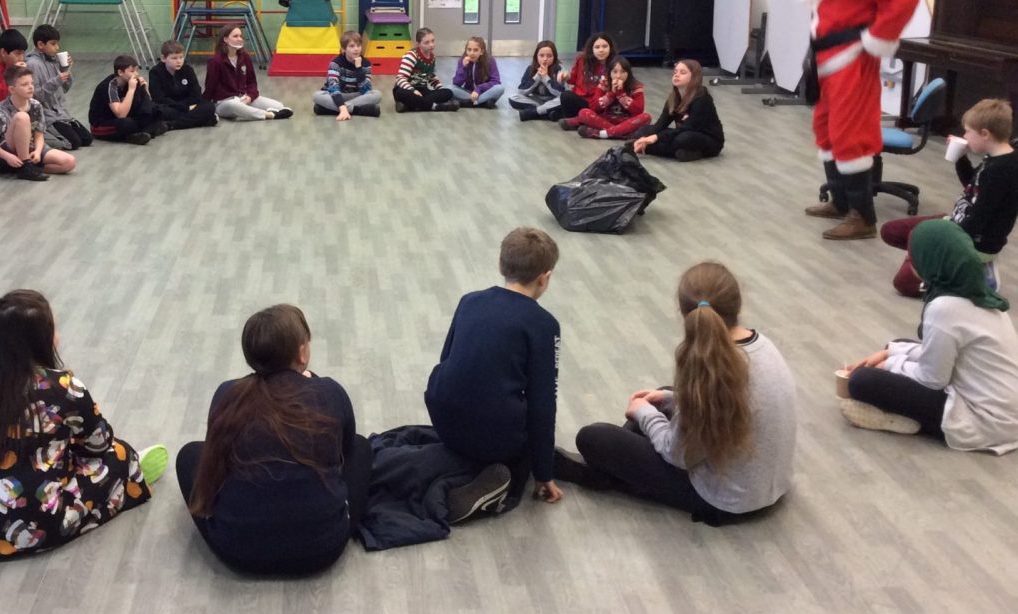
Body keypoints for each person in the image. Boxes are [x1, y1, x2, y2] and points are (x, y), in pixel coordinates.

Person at [554, 262, 797, 524]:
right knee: (665, 394)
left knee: (594, 438)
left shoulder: (708, 378)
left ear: (685, 314)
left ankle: (604, 474)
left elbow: (678, 455)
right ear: (737, 305)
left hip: (725, 500)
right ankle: (619, 465)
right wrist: (672, 400)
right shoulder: (762, 345)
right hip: (767, 486)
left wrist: (645, 415)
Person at [0, 289, 167, 561]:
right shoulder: (63, 387)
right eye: (53, 329)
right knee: (120, 454)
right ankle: (132, 473)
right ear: (38, 340)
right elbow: (98, 443)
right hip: (34, 522)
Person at [178, 304, 372, 575]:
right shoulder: (329, 392)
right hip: (322, 550)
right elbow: (345, 449)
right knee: (361, 447)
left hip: (237, 552)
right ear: (302, 352)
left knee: (190, 454)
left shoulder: (227, 394)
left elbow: (214, 460)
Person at [798, 0, 919, 241]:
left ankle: (862, 216)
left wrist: (877, 38)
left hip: (852, 58)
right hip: (827, 61)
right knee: (825, 129)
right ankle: (840, 201)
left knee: (849, 133)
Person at [841, 220, 1018, 452]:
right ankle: (903, 415)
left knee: (861, 380)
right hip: (1005, 414)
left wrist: (890, 364)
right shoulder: (980, 293)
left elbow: (932, 379)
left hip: (984, 421)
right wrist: (891, 351)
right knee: (897, 344)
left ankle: (909, 420)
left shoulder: (944, 308)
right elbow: (944, 353)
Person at [424, 227, 563, 519]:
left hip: (444, 423)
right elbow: (542, 403)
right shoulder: (543, 324)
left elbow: (446, 359)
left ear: (501, 264)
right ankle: (501, 478)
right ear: (545, 277)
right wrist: (544, 473)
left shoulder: (469, 300)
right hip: (495, 441)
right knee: (528, 442)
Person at [878, 99, 1018, 296]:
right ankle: (944, 265)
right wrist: (961, 157)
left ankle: (968, 272)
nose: (965, 136)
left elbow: (978, 221)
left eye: (968, 132)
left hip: (973, 242)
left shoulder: (1002, 171)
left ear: (985, 134)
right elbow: (973, 185)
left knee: (904, 283)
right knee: (891, 231)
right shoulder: (993, 157)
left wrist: (939, 236)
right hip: (958, 223)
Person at [0, 65, 77, 180]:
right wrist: (8, 157)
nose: (30, 87)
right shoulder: (1, 109)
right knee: (22, 117)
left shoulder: (36, 105)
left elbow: (39, 135)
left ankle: (23, 168)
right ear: (12, 89)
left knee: (69, 162)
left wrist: (38, 152)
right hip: (8, 150)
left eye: (32, 83)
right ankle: (25, 165)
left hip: (31, 146)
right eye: (24, 84)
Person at [630, 59, 724, 161]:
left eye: (682, 72)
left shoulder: (702, 98)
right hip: (683, 132)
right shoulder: (674, 98)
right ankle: (683, 153)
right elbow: (660, 125)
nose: (676, 75)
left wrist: (655, 137)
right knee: (644, 131)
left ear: (694, 77)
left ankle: (649, 148)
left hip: (708, 140)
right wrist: (647, 136)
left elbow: (688, 127)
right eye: (675, 72)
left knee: (683, 138)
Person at [203, 23, 292, 121]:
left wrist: (250, 96)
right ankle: (269, 115)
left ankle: (255, 110)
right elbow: (210, 86)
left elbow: (251, 82)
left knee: (279, 106)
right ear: (225, 39)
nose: (240, 39)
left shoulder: (245, 57)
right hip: (224, 103)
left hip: (243, 98)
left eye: (241, 36)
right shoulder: (215, 61)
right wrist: (203, 105)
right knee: (234, 106)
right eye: (235, 36)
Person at [25, 23, 93, 150]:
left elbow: (64, 89)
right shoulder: (32, 64)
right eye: (53, 44)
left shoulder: (53, 60)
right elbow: (35, 96)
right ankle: (39, 135)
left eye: (57, 43)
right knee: (73, 143)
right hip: (46, 116)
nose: (57, 48)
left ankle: (58, 129)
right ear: (40, 45)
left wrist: (64, 69)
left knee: (87, 139)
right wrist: (56, 81)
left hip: (60, 113)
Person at [89, 54, 170, 146]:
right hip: (102, 124)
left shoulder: (130, 82)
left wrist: (144, 89)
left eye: (136, 70)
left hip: (124, 117)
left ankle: (138, 133)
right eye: (132, 71)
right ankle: (135, 134)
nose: (136, 74)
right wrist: (131, 90)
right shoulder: (109, 86)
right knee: (126, 124)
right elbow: (121, 114)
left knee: (156, 113)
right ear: (120, 72)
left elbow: (146, 107)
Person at [573, 56, 652, 139]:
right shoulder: (604, 83)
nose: (618, 76)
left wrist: (621, 94)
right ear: (609, 73)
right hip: (606, 120)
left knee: (646, 117)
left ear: (628, 73)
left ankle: (602, 134)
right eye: (615, 72)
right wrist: (611, 94)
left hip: (626, 121)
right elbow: (593, 107)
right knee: (583, 112)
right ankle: (622, 134)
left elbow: (639, 111)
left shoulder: (636, 86)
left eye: (623, 72)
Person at [148, 40, 218, 129]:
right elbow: (158, 98)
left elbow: (196, 94)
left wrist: (186, 106)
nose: (179, 61)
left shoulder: (188, 70)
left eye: (181, 57)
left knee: (209, 107)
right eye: (174, 58)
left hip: (188, 105)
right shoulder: (155, 73)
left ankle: (171, 125)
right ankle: (202, 120)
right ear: (163, 58)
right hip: (169, 107)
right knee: (157, 111)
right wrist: (184, 108)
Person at [314, 30, 381, 119]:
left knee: (376, 95)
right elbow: (333, 87)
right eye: (352, 46)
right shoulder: (336, 63)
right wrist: (342, 107)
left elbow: (366, 89)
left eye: (358, 45)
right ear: (344, 49)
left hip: (356, 95)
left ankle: (330, 109)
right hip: (337, 94)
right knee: (317, 95)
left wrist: (359, 68)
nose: (356, 49)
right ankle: (357, 110)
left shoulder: (366, 64)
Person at [392, 27, 458, 113]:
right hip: (406, 90)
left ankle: (408, 106)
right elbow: (400, 79)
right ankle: (435, 106)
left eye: (433, 41)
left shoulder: (432, 57)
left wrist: (441, 90)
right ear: (418, 44)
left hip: (422, 90)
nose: (431, 45)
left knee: (448, 93)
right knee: (402, 94)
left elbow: (431, 76)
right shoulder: (411, 56)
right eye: (427, 42)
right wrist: (413, 90)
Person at [558, 34, 613, 122]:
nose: (601, 50)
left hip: (599, 103)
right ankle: (576, 120)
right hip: (581, 100)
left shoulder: (615, 64)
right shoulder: (582, 60)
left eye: (605, 46)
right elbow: (572, 79)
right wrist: (565, 76)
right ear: (591, 49)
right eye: (597, 47)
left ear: (610, 48)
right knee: (565, 96)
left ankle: (578, 121)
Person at [508, 40, 566, 121]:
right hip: (536, 100)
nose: (545, 59)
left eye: (549, 56)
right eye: (541, 55)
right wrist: (537, 76)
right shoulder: (530, 68)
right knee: (513, 97)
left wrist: (546, 78)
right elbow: (521, 91)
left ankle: (533, 113)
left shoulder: (559, 69)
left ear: (554, 57)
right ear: (536, 56)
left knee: (563, 101)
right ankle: (546, 112)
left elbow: (560, 93)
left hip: (553, 100)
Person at [449, 35, 504, 108]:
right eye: (469, 49)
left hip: (485, 92)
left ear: (482, 51)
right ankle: (483, 102)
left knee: (500, 88)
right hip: (469, 93)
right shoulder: (462, 60)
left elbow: (495, 81)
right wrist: (463, 68)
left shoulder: (490, 60)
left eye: (475, 50)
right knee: (450, 88)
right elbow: (456, 83)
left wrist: (479, 88)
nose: (472, 53)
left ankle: (470, 102)